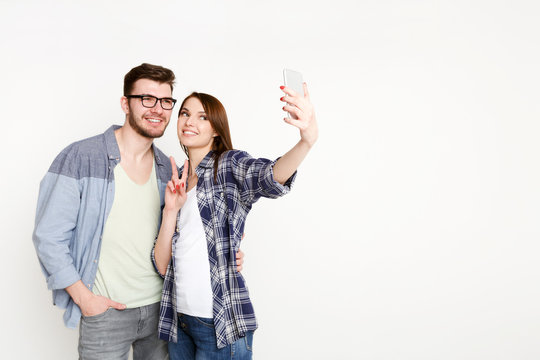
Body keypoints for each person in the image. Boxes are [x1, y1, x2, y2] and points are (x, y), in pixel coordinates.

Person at [32, 63, 244, 360]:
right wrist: (86, 299)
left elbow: (179, 234)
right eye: (146, 99)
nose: (157, 109)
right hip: (105, 313)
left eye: (166, 101)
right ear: (125, 104)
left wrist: (223, 254)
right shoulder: (81, 157)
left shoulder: (167, 171)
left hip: (163, 315)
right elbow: (48, 236)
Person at [152, 84, 318, 359]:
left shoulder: (228, 165)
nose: (190, 121)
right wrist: (171, 210)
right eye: (184, 113)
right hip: (178, 322)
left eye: (202, 116)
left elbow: (270, 176)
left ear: (216, 128)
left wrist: (306, 141)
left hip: (219, 323)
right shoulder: (178, 178)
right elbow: (161, 265)